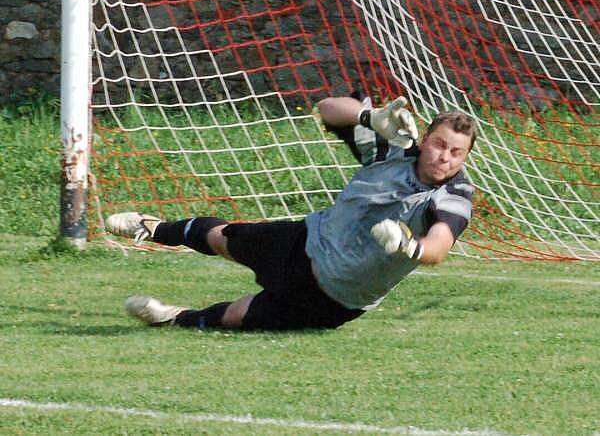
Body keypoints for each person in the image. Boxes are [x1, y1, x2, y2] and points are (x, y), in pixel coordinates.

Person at [106, 95, 477, 331]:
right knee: (223, 238)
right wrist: (371, 117)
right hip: (306, 241)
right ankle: (153, 228)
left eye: (455, 152)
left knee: (237, 316)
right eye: (439, 144)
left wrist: (410, 246)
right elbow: (329, 110)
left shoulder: (454, 194)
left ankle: (172, 316)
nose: (444, 157)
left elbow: (439, 246)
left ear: (465, 157)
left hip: (337, 297)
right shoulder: (393, 149)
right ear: (425, 139)